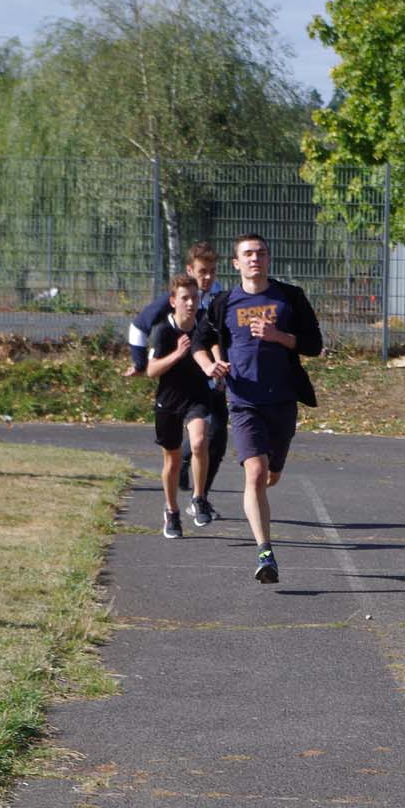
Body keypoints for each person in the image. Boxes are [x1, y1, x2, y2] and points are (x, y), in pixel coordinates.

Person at [194, 234, 323, 584]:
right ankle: (265, 552)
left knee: (270, 475)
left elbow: (314, 345)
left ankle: (268, 488)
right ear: (236, 264)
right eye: (248, 254)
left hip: (281, 401)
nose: (255, 259)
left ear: (268, 260)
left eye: (261, 253)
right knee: (254, 473)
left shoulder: (289, 297)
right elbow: (199, 342)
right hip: (243, 401)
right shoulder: (223, 302)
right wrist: (209, 366)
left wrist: (278, 335)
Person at [124, 242, 229, 511]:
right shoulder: (169, 306)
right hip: (174, 387)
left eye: (212, 272)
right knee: (179, 450)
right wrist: (139, 361)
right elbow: (138, 327)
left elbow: (215, 336)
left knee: (213, 438)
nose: (207, 278)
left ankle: (200, 497)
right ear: (189, 271)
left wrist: (219, 363)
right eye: (202, 271)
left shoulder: (217, 296)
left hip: (206, 381)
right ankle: (177, 499)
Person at [145, 274, 216, 539]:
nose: (190, 303)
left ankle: (199, 497)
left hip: (197, 398)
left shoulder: (203, 325)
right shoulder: (163, 330)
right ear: (173, 301)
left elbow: (216, 346)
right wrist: (177, 354)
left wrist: (217, 369)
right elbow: (152, 370)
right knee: (172, 460)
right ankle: (172, 511)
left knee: (199, 443)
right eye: (185, 298)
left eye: (194, 298)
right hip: (169, 401)